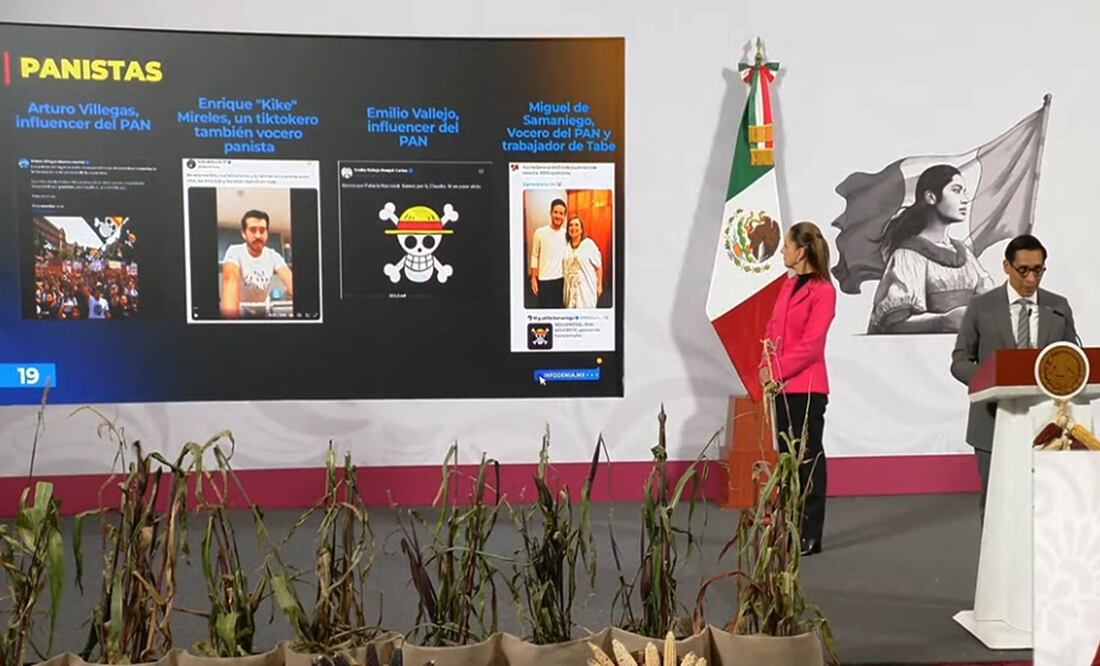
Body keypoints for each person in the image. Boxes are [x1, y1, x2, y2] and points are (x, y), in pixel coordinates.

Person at [950, 234, 1077, 518]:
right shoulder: (981, 307)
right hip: (992, 422)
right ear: (1006, 266)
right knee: (996, 506)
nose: (1031, 278)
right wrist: (991, 378)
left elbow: (1073, 358)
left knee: (1046, 504)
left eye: (1039, 270)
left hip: (1048, 421)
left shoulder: (1058, 306)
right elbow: (959, 360)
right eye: (1024, 270)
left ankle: (1041, 562)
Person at [759, 221, 837, 556]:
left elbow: (811, 345)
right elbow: (773, 332)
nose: (782, 251)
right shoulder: (786, 287)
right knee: (786, 460)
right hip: (781, 387)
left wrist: (775, 370)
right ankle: (787, 526)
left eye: (787, 245)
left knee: (808, 460)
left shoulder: (823, 291)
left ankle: (810, 532)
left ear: (801, 251)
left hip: (806, 388)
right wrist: (764, 366)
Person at [868, 164, 996, 334]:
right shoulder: (908, 255)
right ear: (931, 197)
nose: (965, 199)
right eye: (956, 190)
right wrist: (942, 322)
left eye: (964, 191)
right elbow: (895, 323)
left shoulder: (964, 253)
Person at [220, 209, 294, 319]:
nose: (258, 235)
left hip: (263, 310)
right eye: (253, 230)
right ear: (244, 234)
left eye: (262, 230)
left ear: (267, 233)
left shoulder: (273, 256)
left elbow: (290, 279)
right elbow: (230, 280)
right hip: (240, 310)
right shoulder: (234, 252)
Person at [529, 198, 567, 308]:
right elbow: (534, 256)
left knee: (558, 311)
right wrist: (533, 278)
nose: (558, 216)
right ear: (550, 213)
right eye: (555, 212)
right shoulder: (539, 232)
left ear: (564, 216)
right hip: (544, 280)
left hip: (561, 280)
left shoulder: (566, 234)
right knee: (543, 312)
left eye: (561, 213)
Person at [563, 216, 603, 308]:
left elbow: (598, 266)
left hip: (586, 290)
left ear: (581, 230)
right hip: (570, 290)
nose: (573, 228)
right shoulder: (566, 247)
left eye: (577, 225)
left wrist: (599, 285)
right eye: (571, 225)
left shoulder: (589, 244)